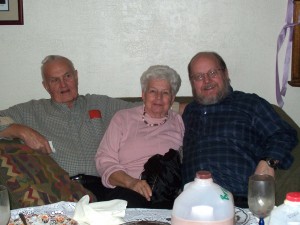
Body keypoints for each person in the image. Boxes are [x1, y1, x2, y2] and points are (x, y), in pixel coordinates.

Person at [0, 55, 140, 200]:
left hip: (106, 188)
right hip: (60, 192)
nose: (63, 85)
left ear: (76, 76)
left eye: (67, 76)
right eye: (54, 80)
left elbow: (146, 109)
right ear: (46, 86)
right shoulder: (30, 111)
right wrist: (20, 130)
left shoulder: (100, 103)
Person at [182, 51, 298, 208]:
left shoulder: (249, 104)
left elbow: (284, 133)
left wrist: (269, 162)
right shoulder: (189, 111)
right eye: (199, 77)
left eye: (212, 72)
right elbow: (157, 105)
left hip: (238, 199)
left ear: (226, 73)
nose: (207, 80)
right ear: (192, 82)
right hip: (191, 202)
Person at [95, 65, 184, 209]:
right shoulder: (122, 118)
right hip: (127, 189)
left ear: (173, 98)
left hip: (165, 192)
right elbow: (104, 160)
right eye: (153, 91)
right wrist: (132, 183)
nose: (158, 97)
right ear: (143, 94)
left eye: (165, 93)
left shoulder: (179, 122)